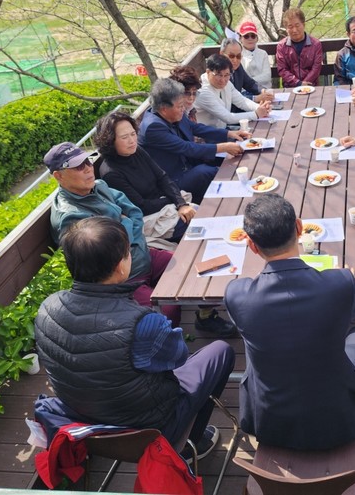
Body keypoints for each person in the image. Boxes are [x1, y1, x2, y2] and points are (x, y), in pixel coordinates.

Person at [35, 217, 235, 462]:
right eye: (128, 252)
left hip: (86, 426)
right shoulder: (143, 323)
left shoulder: (47, 308)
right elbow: (178, 356)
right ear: (121, 266)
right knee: (220, 351)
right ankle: (189, 443)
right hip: (147, 430)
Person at [224, 194, 355, 450]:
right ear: (299, 227)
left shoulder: (237, 294)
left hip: (269, 423)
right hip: (339, 422)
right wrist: (346, 281)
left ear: (251, 245)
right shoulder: (340, 282)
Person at [44, 141, 179, 325]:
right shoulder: (71, 217)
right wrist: (125, 221)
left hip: (142, 256)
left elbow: (135, 212)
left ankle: (204, 316)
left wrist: (123, 226)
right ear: (58, 176)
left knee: (187, 267)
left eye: (88, 161)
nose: (88, 168)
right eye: (78, 167)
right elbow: (108, 253)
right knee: (167, 308)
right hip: (123, 278)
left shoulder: (99, 186)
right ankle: (171, 339)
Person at [139, 78, 247, 204]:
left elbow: (195, 127)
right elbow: (186, 147)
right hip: (173, 179)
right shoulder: (153, 127)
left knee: (232, 161)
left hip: (189, 163)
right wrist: (224, 147)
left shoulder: (172, 113)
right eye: (180, 106)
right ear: (164, 108)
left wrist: (229, 133)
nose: (183, 109)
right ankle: (232, 203)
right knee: (209, 172)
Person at [94, 111, 195, 246]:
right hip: (149, 217)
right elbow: (141, 206)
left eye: (133, 134)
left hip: (164, 204)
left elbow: (162, 177)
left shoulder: (136, 150)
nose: (132, 140)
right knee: (193, 222)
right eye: (124, 137)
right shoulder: (111, 173)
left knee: (198, 212)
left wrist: (180, 204)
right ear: (110, 141)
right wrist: (173, 201)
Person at [195, 54, 271, 128]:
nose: (223, 80)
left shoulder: (227, 83)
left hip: (223, 129)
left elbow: (242, 101)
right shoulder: (203, 92)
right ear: (208, 72)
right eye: (219, 75)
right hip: (208, 134)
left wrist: (260, 108)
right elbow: (228, 118)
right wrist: (256, 114)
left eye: (226, 75)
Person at [275, 7, 322, 88]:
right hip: (290, 87)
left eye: (297, 25)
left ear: (303, 25)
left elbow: (316, 68)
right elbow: (282, 69)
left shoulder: (315, 44)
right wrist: (298, 83)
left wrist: (305, 84)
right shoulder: (282, 46)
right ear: (286, 29)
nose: (294, 30)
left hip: (311, 86)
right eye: (290, 26)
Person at [219, 38, 273, 104]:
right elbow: (232, 99)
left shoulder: (238, 67)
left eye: (238, 56)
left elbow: (250, 84)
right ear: (221, 54)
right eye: (231, 56)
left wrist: (263, 91)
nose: (235, 60)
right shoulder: (218, 74)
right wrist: (256, 98)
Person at [239, 21, 272, 91]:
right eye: (246, 36)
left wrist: (247, 81)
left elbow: (267, 76)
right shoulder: (237, 55)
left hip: (264, 89)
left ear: (257, 38)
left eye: (253, 36)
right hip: (245, 92)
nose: (250, 38)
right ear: (240, 38)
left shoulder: (263, 54)